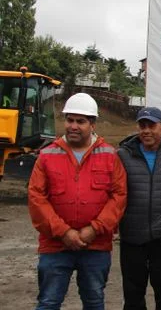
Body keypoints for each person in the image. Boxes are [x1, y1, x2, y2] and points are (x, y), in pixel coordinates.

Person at [28, 92, 127, 309]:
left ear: (92, 124)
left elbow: (118, 197)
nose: (73, 126)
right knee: (48, 302)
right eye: (70, 120)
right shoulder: (47, 155)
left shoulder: (110, 156)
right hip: (55, 246)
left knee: (93, 302)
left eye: (80, 121)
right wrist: (64, 232)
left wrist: (94, 229)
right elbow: (36, 199)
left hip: (96, 246)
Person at [117, 107, 161, 310]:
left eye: (152, 125)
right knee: (133, 296)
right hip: (132, 238)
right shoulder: (122, 156)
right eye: (142, 125)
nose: (146, 130)